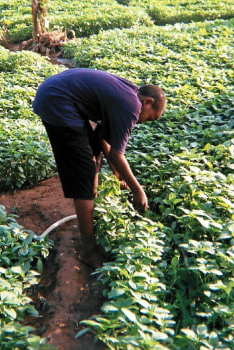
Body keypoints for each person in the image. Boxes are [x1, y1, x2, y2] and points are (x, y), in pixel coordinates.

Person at [33, 68, 166, 269]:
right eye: (149, 117)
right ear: (147, 102)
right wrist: (138, 190)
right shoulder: (131, 106)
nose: (142, 122)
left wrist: (116, 175)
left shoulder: (128, 94)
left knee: (91, 149)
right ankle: (88, 252)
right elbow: (116, 154)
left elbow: (103, 137)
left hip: (55, 93)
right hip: (57, 101)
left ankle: (90, 189)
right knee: (83, 174)